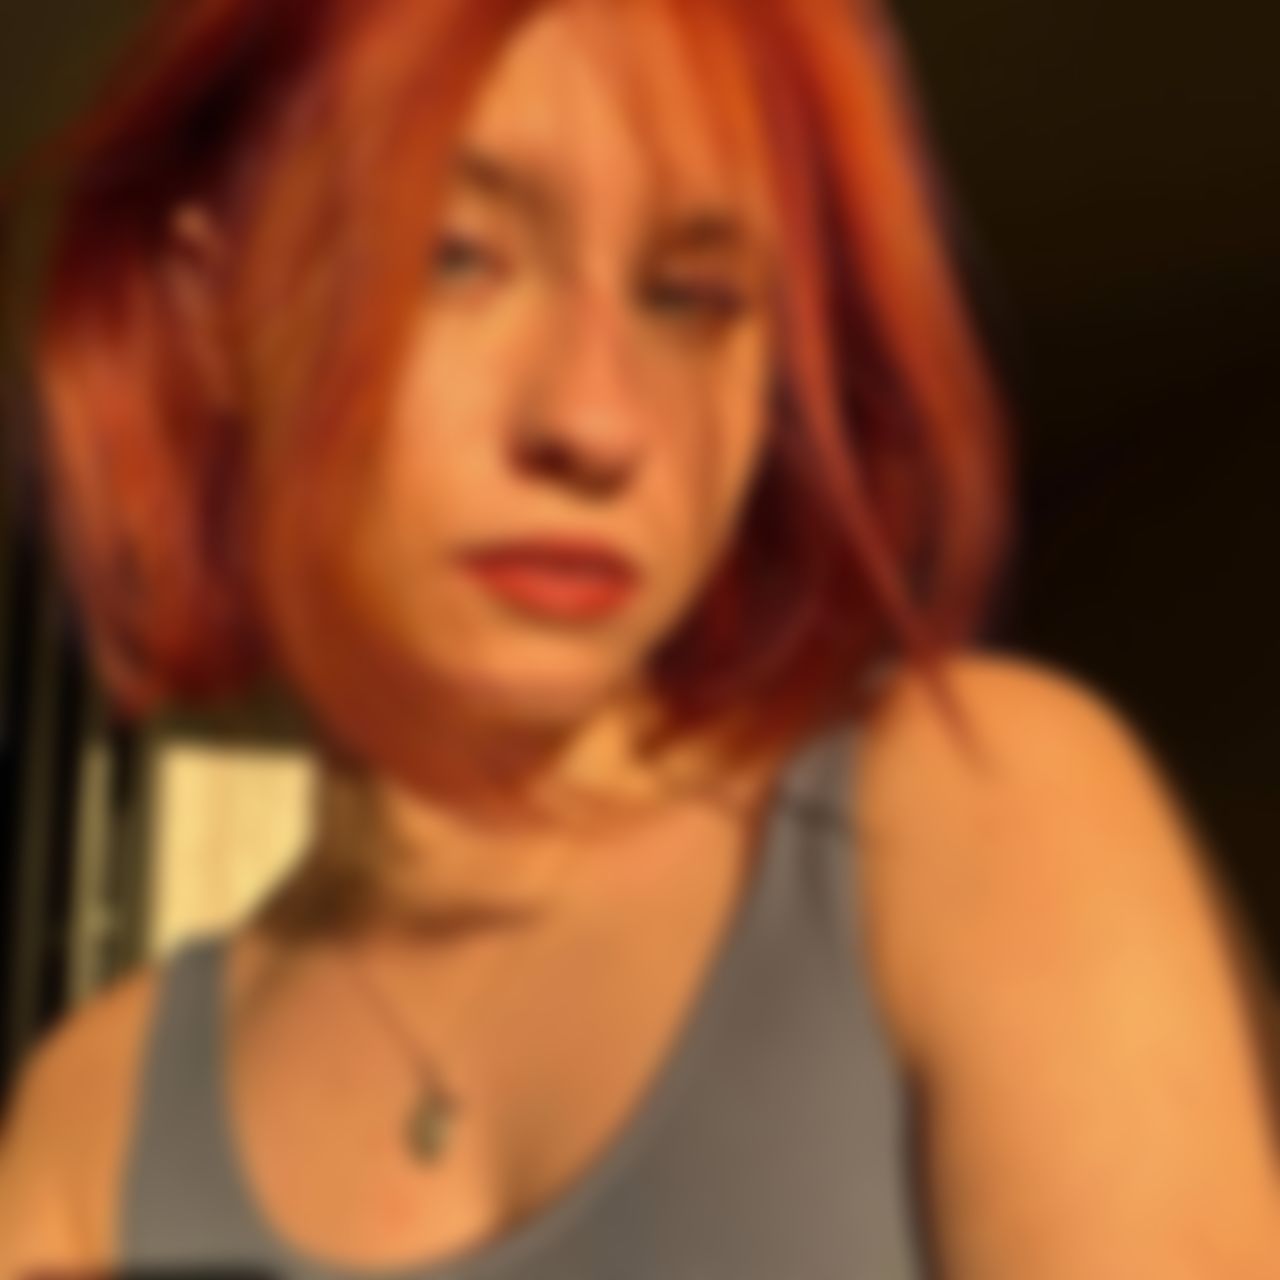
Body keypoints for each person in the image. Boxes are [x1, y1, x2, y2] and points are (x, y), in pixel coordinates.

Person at [1, 0, 1276, 1276]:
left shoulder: (969, 824)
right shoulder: (86, 1128)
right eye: (453, 255)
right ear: (210, 312)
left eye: (691, 296)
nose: (595, 420)